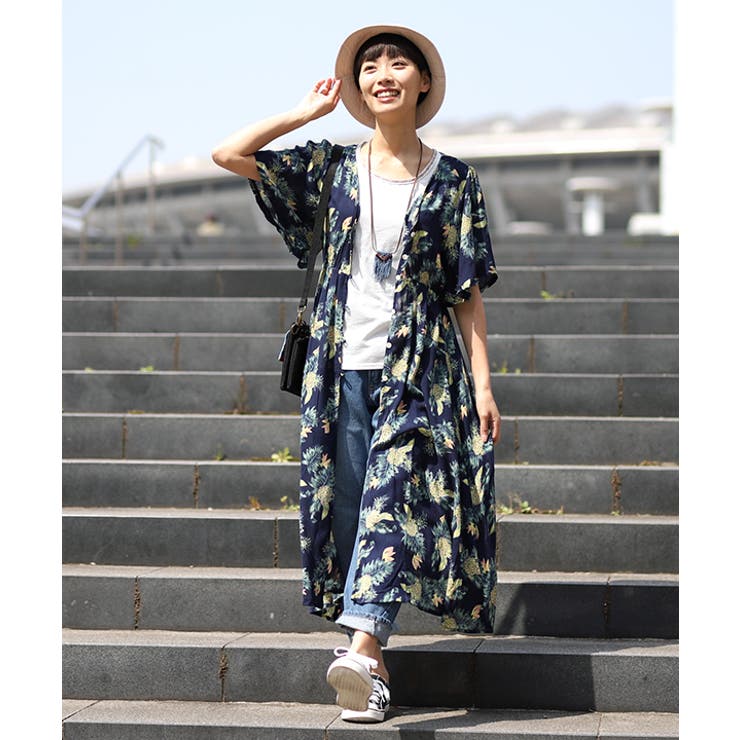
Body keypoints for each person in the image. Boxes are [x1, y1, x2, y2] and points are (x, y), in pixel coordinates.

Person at [212, 24, 501, 724]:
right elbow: (229, 153)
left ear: (423, 82)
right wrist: (304, 113)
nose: (383, 74)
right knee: (350, 510)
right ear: (358, 85)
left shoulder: (455, 180)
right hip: (340, 366)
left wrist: (484, 385)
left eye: (398, 63)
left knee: (391, 497)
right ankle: (371, 670)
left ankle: (364, 642)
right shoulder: (331, 168)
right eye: (370, 66)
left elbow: (466, 294)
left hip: (421, 370)